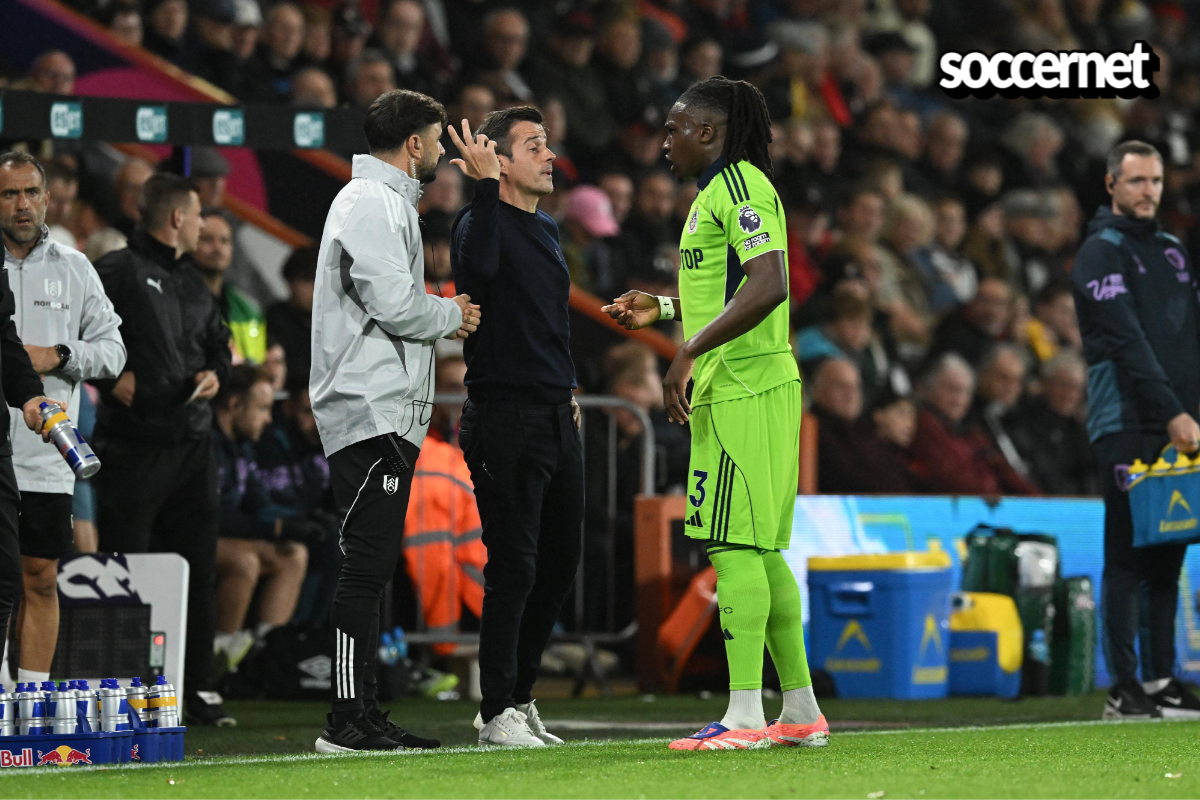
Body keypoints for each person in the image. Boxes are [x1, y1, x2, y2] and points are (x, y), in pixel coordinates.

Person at [603, 76, 828, 751]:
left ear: (708, 132)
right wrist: (666, 311)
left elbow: (770, 284)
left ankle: (742, 717)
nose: (664, 142)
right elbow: (737, 291)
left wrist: (688, 353)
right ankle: (800, 710)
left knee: (732, 546)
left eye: (675, 129)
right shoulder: (719, 196)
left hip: (740, 388)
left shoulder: (739, 189)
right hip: (753, 383)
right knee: (760, 549)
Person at [310, 89, 479, 753]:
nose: (440, 150)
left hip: (381, 408)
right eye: (436, 138)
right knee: (366, 564)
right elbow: (393, 304)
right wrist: (451, 314)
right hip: (367, 407)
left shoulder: (380, 203)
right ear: (415, 143)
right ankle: (346, 722)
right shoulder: (371, 203)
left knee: (373, 565)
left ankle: (363, 712)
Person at [448, 106, 582, 748]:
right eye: (533, 145)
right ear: (499, 160)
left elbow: (547, 321)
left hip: (557, 411)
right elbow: (480, 276)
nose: (549, 155)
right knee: (515, 565)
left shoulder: (549, 229)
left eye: (547, 144)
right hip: (504, 416)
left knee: (559, 562)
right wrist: (480, 187)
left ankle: (518, 697)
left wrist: (570, 390)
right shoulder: (477, 220)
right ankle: (496, 704)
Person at [91, 173, 234, 726]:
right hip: (134, 445)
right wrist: (110, 377)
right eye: (198, 214)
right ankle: (123, 686)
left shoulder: (196, 282)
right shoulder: (117, 270)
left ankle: (194, 689)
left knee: (197, 569)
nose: (202, 224)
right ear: (177, 218)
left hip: (194, 445)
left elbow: (218, 346)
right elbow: (81, 333)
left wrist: (215, 374)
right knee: (126, 566)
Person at [1072, 140, 1200, 719]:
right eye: (1137, 181)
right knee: (1126, 553)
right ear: (1111, 185)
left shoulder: (1172, 250)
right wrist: (1173, 411)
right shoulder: (1100, 253)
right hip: (1125, 420)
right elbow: (1126, 343)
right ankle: (1123, 687)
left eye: (1155, 180)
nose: (1148, 191)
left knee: (1167, 551)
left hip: (1177, 421)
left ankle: (1160, 681)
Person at [0, 152, 119, 688]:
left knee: (40, 577)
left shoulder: (75, 268)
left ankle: (30, 700)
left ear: (48, 199)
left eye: (29, 192)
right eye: (8, 194)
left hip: (49, 452)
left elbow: (113, 352)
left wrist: (61, 356)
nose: (20, 204)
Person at [212, 364, 313, 674]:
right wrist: (276, 527)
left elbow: (260, 503)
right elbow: (212, 515)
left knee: (293, 554)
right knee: (244, 561)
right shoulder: (206, 445)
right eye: (262, 408)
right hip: (188, 537)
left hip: (224, 535)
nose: (269, 419)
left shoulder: (242, 446)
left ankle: (264, 655)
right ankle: (218, 659)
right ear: (233, 404)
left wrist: (301, 522)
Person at [907, 353, 1040, 496]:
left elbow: (1005, 471)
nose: (958, 400)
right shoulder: (924, 426)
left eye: (966, 392)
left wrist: (1039, 502)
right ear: (928, 388)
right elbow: (960, 483)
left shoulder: (971, 430)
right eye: (951, 389)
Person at [193, 210, 267, 364]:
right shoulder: (181, 301)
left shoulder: (248, 309)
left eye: (225, 241)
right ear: (191, 243)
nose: (217, 248)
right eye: (207, 239)